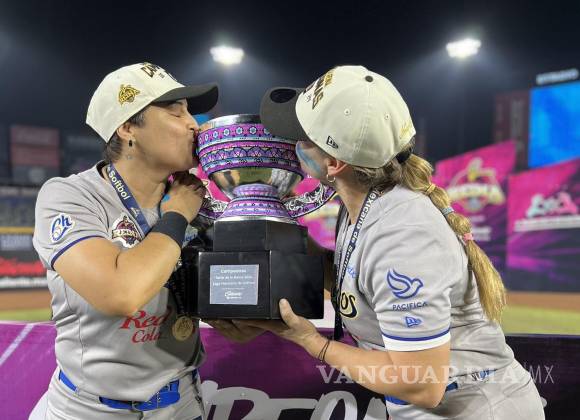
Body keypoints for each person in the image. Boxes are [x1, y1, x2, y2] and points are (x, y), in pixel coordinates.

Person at [243, 65, 545, 419]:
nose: (295, 144)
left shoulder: (403, 236)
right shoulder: (367, 203)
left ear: (334, 163)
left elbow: (421, 384)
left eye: (304, 136)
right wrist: (280, 231)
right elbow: (357, 281)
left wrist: (312, 342)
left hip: (476, 409)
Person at [33, 62, 218, 419]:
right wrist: (177, 216)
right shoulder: (70, 196)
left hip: (183, 403)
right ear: (128, 127)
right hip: (90, 411)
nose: (194, 124)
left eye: (190, 112)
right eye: (176, 112)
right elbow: (121, 293)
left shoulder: (197, 199)